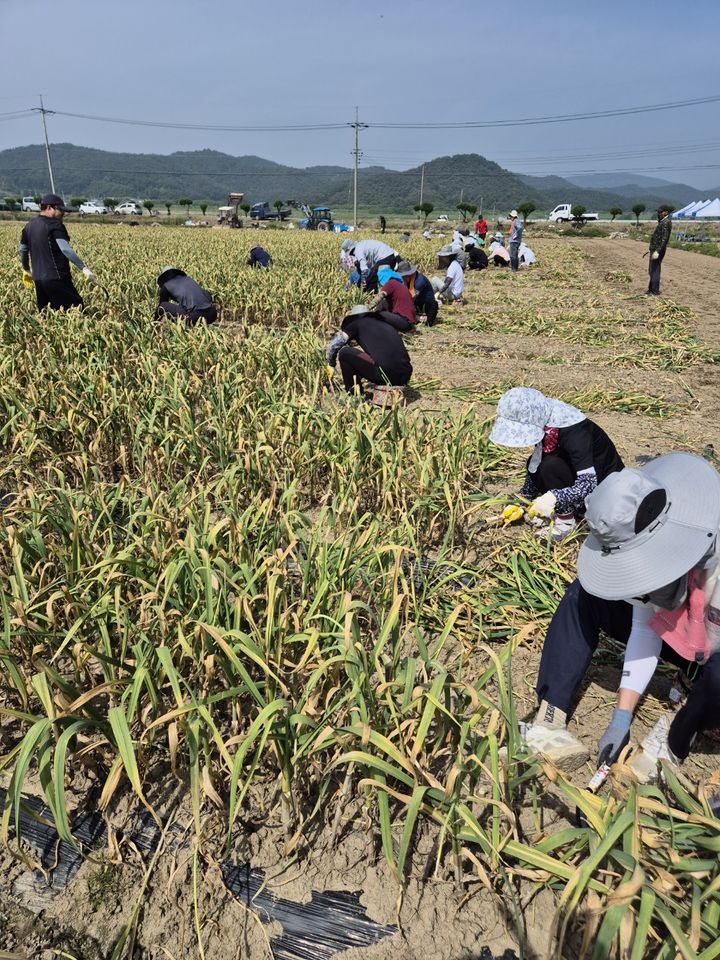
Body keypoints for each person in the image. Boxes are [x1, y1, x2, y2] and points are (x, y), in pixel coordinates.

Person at [520, 453, 720, 784]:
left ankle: (674, 742)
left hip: (712, 655)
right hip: (689, 639)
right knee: (583, 596)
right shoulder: (648, 543)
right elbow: (644, 629)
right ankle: (549, 717)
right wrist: (621, 717)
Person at [490, 387, 624, 542]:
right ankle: (561, 509)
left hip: (605, 491)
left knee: (550, 466)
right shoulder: (546, 423)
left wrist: (553, 498)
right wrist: (522, 501)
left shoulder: (575, 432)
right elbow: (536, 462)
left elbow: (588, 483)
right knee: (540, 463)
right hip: (577, 477)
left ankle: (566, 522)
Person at [19, 193, 95, 311]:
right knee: (77, 311)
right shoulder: (55, 225)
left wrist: (26, 269)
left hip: (38, 280)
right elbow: (65, 249)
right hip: (57, 278)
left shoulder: (28, 226)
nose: (63, 213)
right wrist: (84, 268)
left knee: (46, 315)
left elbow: (23, 251)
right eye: (61, 210)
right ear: (50, 207)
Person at [326, 304, 412, 395]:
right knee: (367, 356)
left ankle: (354, 394)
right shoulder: (385, 324)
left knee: (345, 353)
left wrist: (331, 364)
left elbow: (334, 345)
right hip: (405, 374)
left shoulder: (355, 324)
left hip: (386, 374)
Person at [369, 265, 418, 332]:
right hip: (408, 323)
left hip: (403, 321)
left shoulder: (390, 283)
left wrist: (367, 308)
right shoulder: (400, 285)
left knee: (379, 314)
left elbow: (380, 296)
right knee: (383, 303)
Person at [396, 260, 438, 326]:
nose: (403, 278)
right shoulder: (409, 279)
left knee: (433, 304)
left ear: (409, 274)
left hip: (425, 304)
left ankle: (424, 319)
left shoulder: (420, 281)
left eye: (405, 276)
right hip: (418, 302)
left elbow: (410, 298)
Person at [648, 204, 672, 296]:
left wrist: (657, 251)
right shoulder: (662, 221)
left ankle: (654, 290)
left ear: (666, 212)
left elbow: (664, 238)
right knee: (651, 270)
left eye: (660, 212)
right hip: (654, 249)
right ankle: (651, 289)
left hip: (658, 250)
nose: (658, 213)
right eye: (658, 212)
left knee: (655, 270)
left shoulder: (666, 222)